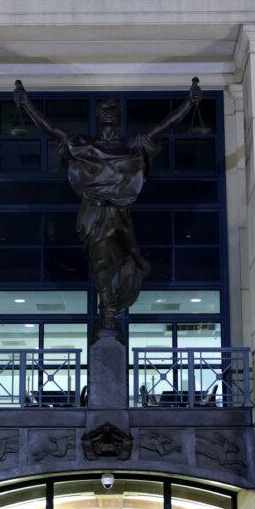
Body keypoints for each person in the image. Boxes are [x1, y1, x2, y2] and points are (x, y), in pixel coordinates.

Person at [14, 78, 202, 339]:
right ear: (97, 116)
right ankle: (108, 313)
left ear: (119, 116)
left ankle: (112, 303)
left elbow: (163, 128)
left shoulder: (131, 145)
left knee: (122, 264)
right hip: (94, 213)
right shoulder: (84, 145)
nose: (108, 110)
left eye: (113, 108)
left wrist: (188, 105)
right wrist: (26, 105)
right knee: (101, 263)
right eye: (103, 108)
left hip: (120, 215)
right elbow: (51, 129)